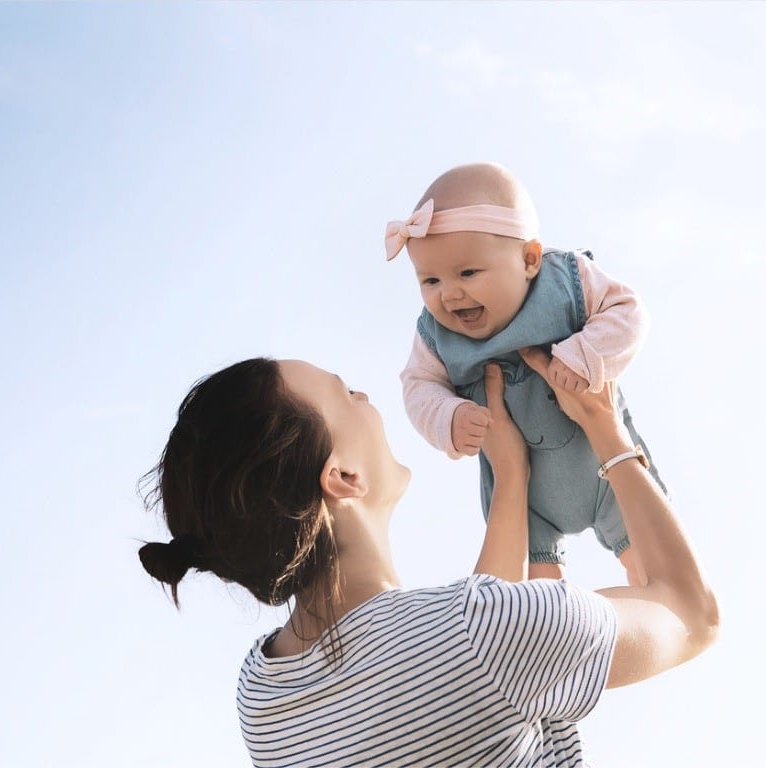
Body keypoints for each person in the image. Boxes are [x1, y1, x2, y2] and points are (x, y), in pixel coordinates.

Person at [139, 349, 718, 768]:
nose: (365, 397)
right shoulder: (487, 635)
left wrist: (511, 475)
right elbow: (694, 615)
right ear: (342, 477)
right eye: (347, 395)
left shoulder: (265, 698)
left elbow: (462, 674)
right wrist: (605, 428)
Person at [387, 162, 665, 584]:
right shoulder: (435, 337)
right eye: (430, 280)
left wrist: (587, 354)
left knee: (653, 566)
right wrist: (448, 416)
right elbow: (418, 386)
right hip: (525, 495)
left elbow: (628, 312)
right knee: (534, 600)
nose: (449, 293)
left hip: (605, 464)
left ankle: (653, 600)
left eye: (467, 272)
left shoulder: (565, 280)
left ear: (529, 259)